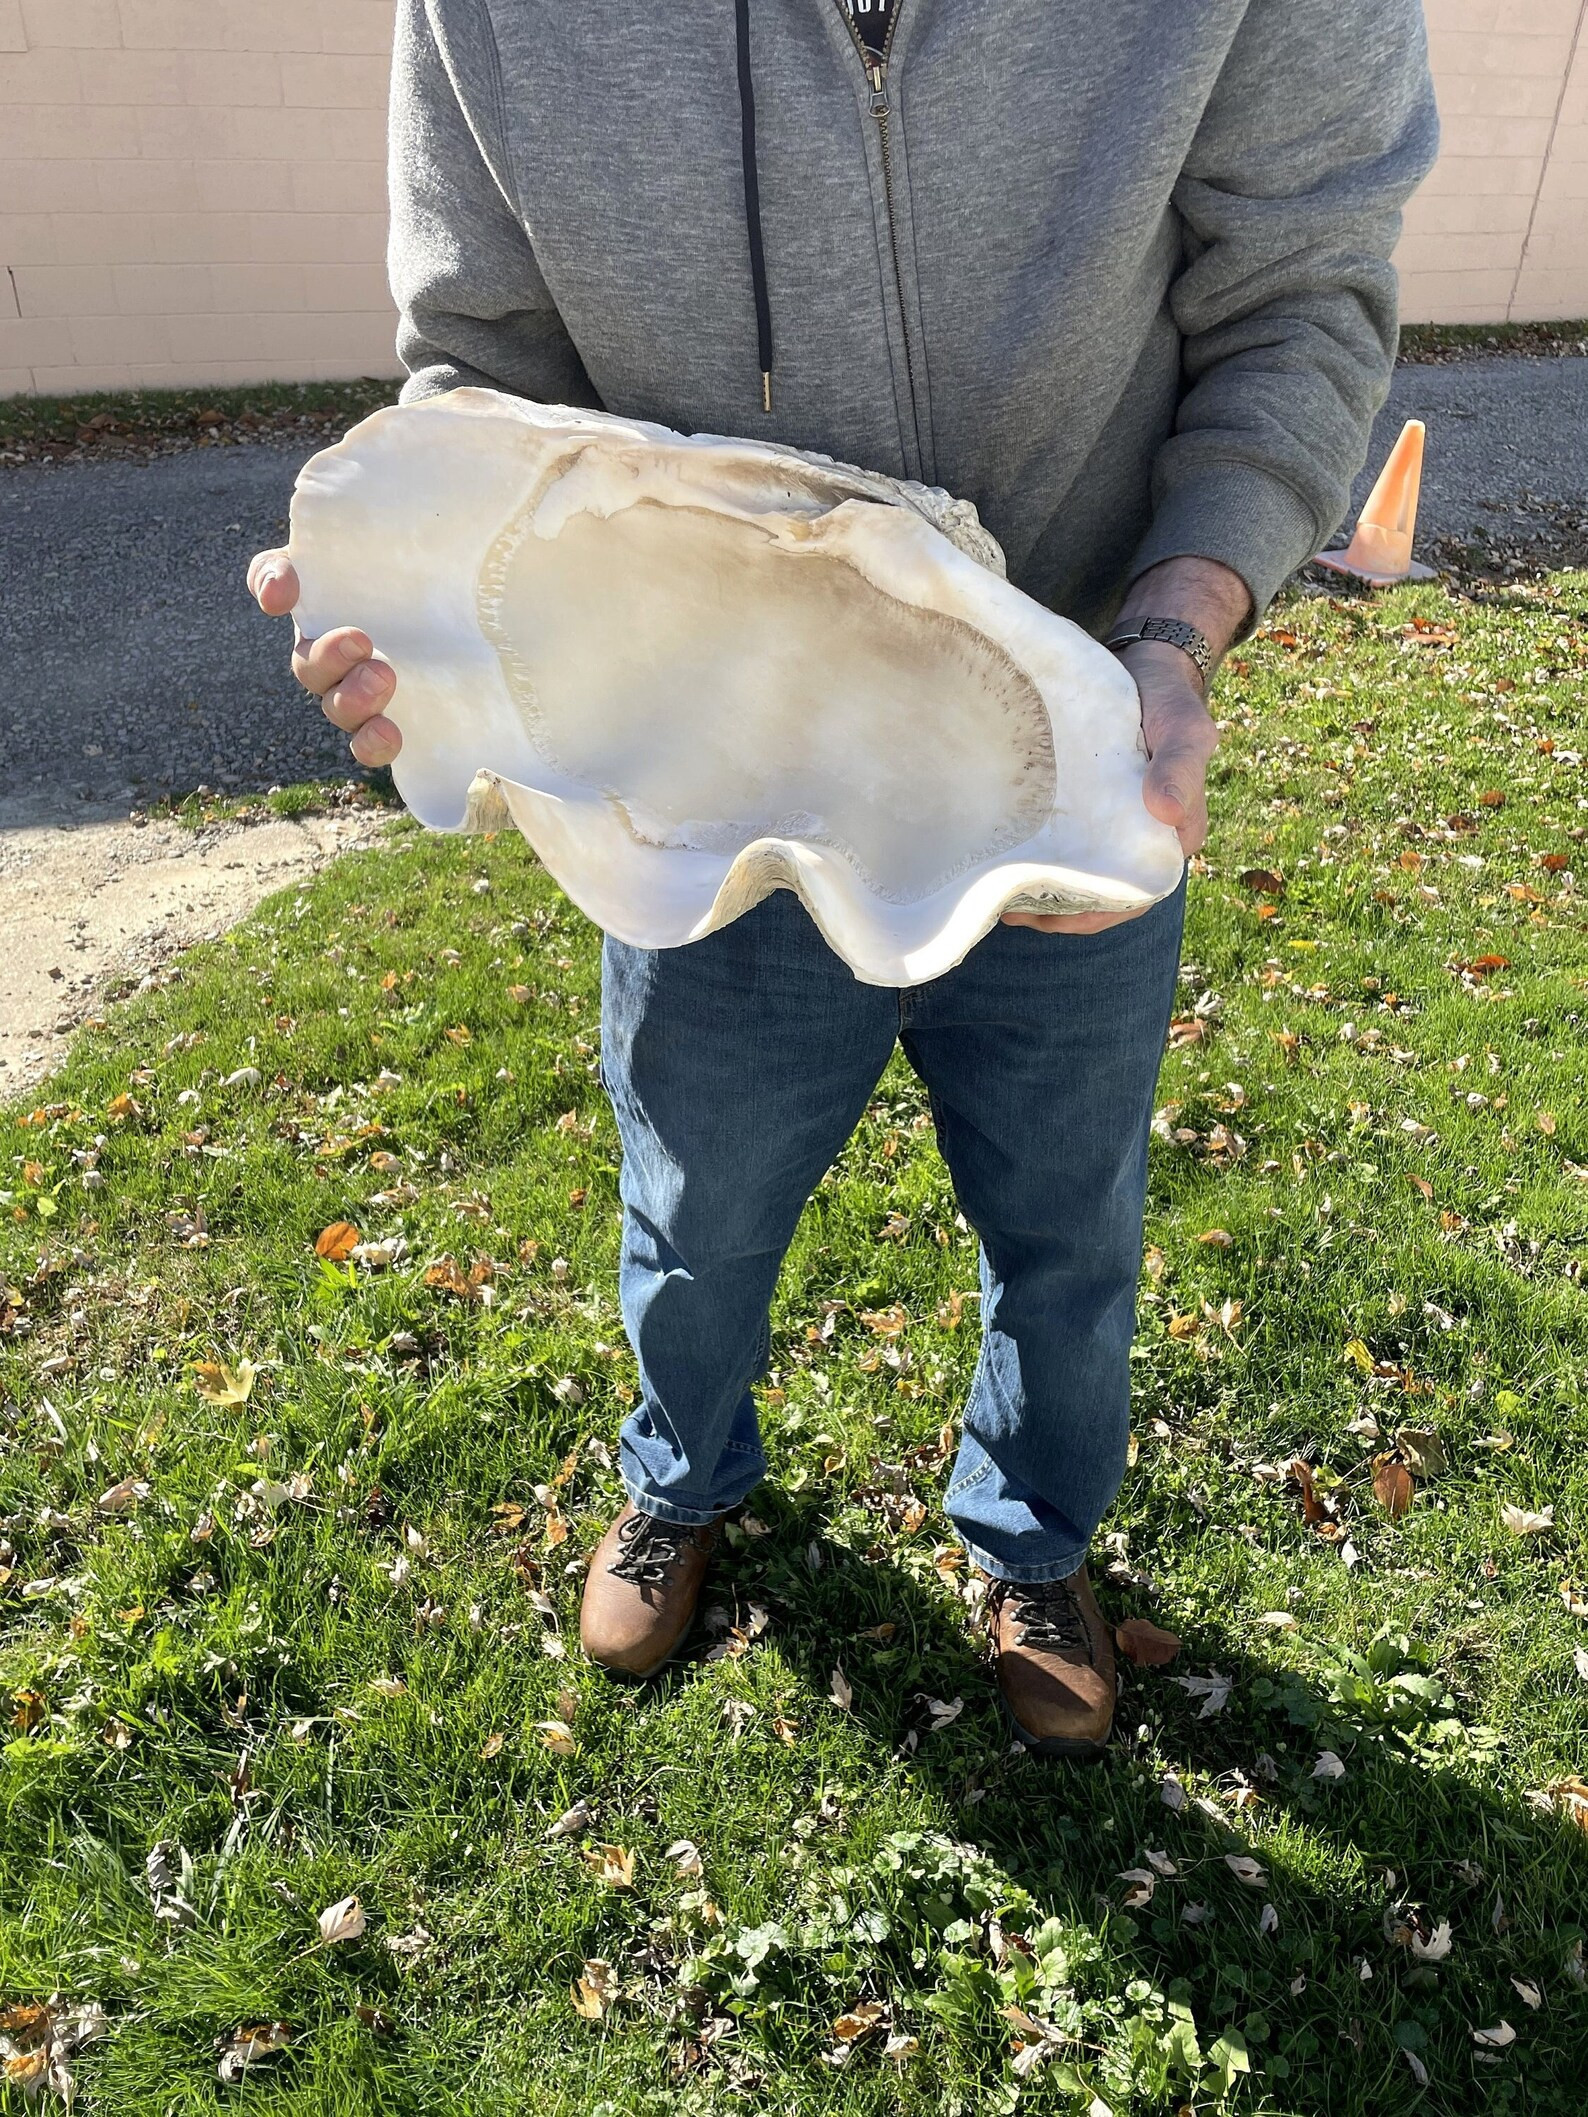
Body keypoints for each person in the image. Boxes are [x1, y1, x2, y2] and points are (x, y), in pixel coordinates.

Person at [250, 0, 1437, 1758]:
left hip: (1071, 739)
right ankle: (682, 1472)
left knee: (1067, 1216)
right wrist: (432, 614)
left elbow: (1303, 290)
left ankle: (1032, 1535)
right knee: (698, 1205)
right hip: (705, 779)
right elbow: (482, 364)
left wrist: (1177, 630)